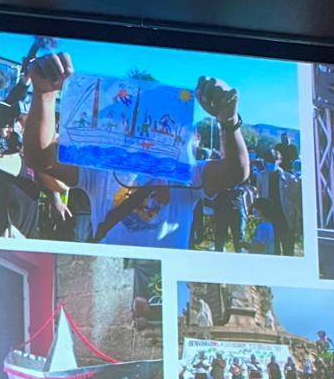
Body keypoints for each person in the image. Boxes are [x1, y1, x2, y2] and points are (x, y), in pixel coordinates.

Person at [21, 52, 250, 249]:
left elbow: (235, 173)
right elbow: (39, 157)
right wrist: (44, 95)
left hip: (164, 278)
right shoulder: (101, 166)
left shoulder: (187, 173)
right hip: (111, 274)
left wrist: (229, 121)